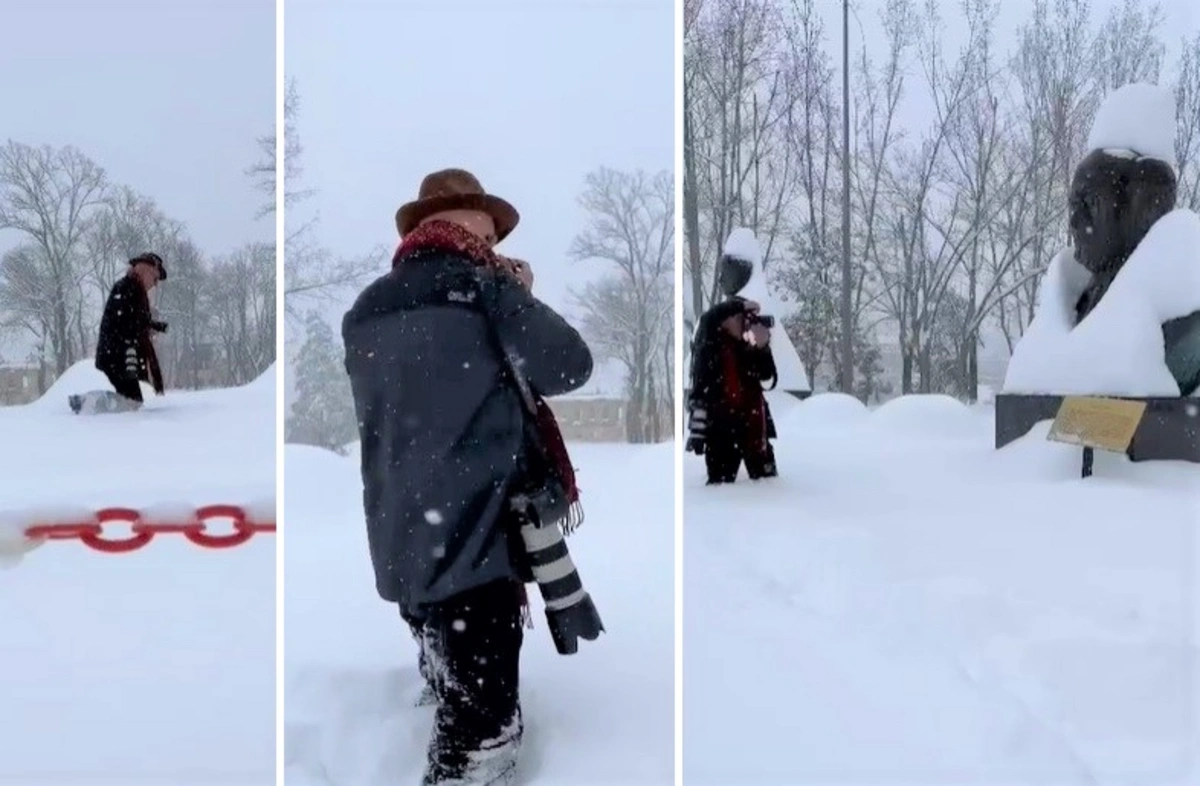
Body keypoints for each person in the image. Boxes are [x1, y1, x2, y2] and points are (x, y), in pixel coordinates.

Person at [341, 168, 593, 786]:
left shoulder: (367, 306)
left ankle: (438, 680)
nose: (499, 245)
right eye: (493, 231)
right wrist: (522, 295)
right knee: (483, 730)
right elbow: (569, 365)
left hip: (402, 535)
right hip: (477, 539)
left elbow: (417, 405)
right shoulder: (482, 288)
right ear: (469, 221)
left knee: (444, 660)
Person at [687, 295, 779, 484]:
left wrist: (763, 348)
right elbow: (700, 392)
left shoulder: (748, 348)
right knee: (720, 489)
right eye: (740, 318)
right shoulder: (710, 346)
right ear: (726, 321)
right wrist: (697, 432)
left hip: (754, 429)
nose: (746, 323)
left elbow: (767, 375)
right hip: (721, 431)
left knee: (769, 486)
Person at [94, 252, 168, 405]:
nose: (155, 284)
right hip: (119, 358)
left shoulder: (133, 288)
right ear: (147, 271)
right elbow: (126, 322)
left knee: (131, 404)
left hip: (122, 357)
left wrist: (155, 326)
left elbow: (134, 318)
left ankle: (96, 409)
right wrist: (133, 346)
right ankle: (89, 407)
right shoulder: (128, 287)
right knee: (130, 405)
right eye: (155, 278)